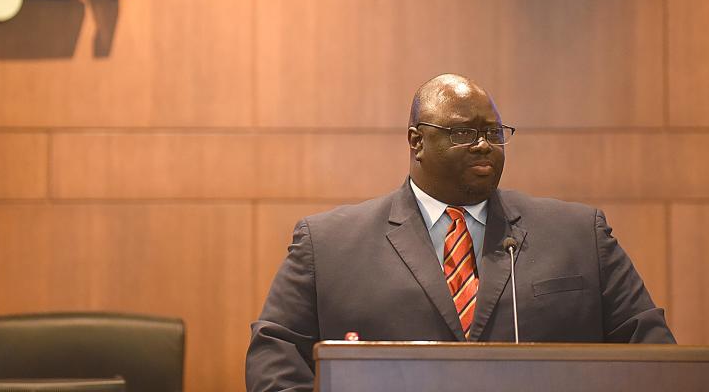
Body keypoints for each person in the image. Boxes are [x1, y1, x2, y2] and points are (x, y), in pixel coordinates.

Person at [246, 73, 675, 392]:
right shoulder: (328, 245)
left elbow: (656, 355)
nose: (484, 144)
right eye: (463, 133)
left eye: (493, 132)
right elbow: (274, 363)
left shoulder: (580, 236)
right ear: (416, 142)